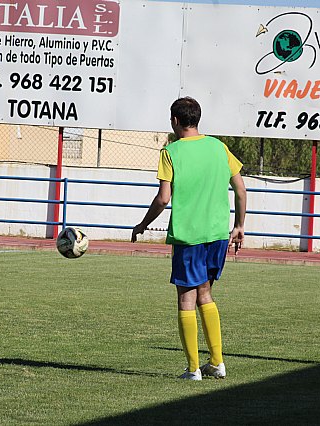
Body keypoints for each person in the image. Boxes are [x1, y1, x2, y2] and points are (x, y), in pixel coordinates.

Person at [131, 97, 247, 380]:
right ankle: (217, 362)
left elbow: (163, 198)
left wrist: (143, 224)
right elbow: (241, 190)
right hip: (218, 234)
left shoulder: (171, 152)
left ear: (174, 121)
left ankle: (193, 368)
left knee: (186, 298)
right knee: (205, 294)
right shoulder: (219, 147)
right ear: (197, 119)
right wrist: (240, 226)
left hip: (189, 236)